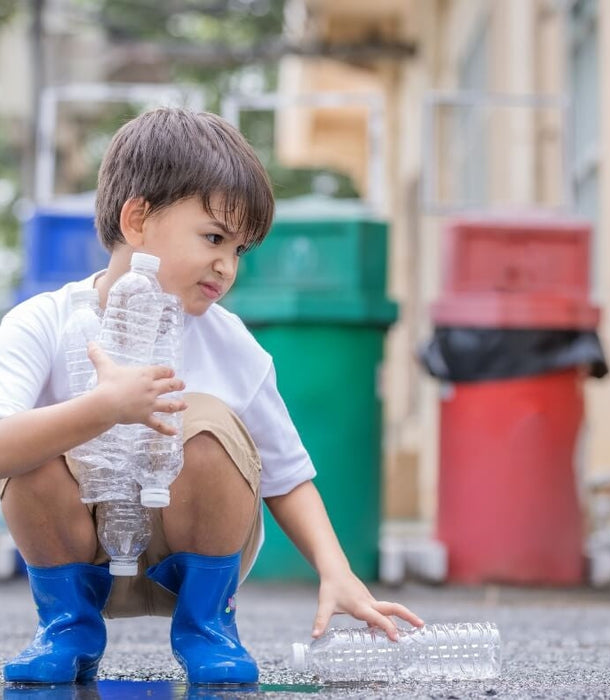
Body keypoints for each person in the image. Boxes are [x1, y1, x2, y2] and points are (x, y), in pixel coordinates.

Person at [0, 108, 423, 685]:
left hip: (188, 556)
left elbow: (286, 475)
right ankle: (67, 627)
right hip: (81, 552)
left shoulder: (231, 344)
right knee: (34, 443)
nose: (227, 267)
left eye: (239, 251)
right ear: (137, 218)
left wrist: (337, 571)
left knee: (205, 419)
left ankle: (207, 627)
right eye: (214, 238)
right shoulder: (43, 324)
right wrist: (100, 410)